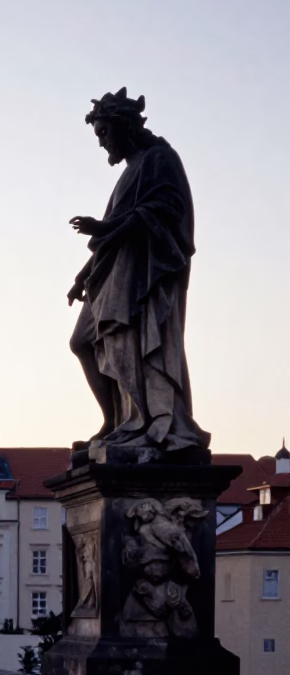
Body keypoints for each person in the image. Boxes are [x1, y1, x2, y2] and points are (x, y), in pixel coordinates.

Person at [67, 88, 209, 456]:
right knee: (83, 342)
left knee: (126, 342)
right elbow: (111, 232)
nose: (101, 144)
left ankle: (142, 421)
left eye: (103, 134)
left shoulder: (159, 159)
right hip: (114, 272)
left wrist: (102, 230)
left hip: (144, 274)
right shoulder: (131, 171)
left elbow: (164, 210)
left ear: (124, 126)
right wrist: (84, 274)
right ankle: (116, 421)